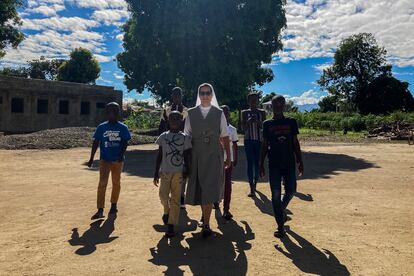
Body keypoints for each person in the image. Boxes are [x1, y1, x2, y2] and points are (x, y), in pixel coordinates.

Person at [184, 83, 231, 238]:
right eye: (202, 93)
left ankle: (206, 224)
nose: (205, 96)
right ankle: (205, 217)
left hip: (213, 155)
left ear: (212, 95)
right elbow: (187, 136)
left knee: (210, 188)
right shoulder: (191, 113)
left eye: (207, 93)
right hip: (197, 155)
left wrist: (228, 157)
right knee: (200, 189)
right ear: (199, 95)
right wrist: (187, 159)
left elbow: (225, 136)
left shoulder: (219, 113)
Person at [259, 95, 304, 238]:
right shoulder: (267, 124)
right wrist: (261, 163)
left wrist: (300, 160)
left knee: (291, 191)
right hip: (274, 164)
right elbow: (265, 145)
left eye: (281, 105)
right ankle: (280, 226)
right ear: (271, 106)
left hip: (289, 162)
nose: (278, 107)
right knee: (276, 195)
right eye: (276, 105)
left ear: (284, 106)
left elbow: (295, 142)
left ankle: (281, 210)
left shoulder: (291, 122)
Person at [88, 102, 131, 219]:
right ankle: (100, 209)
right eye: (110, 111)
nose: (112, 113)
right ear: (106, 112)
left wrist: (121, 155)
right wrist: (91, 158)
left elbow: (125, 142)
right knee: (102, 183)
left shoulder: (123, 128)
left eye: (115, 110)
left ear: (118, 113)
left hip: (118, 160)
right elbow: (96, 142)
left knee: (116, 183)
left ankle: (113, 205)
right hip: (105, 160)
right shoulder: (102, 127)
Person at [153, 111, 192, 237]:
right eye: (172, 119)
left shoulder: (185, 137)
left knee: (176, 199)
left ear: (181, 122)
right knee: (163, 195)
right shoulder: (163, 137)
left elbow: (187, 155)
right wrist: (155, 172)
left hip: (178, 173)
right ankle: (166, 211)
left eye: (177, 119)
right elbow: (159, 155)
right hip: (165, 171)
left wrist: (188, 169)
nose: (174, 121)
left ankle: (171, 225)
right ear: (168, 121)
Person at [158, 87, 188, 209]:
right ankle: (170, 196)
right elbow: (161, 128)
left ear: (182, 96)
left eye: (179, 94)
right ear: (172, 96)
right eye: (174, 95)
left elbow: (189, 129)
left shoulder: (187, 112)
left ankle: (181, 196)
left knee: (182, 171)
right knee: (168, 169)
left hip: (182, 145)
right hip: (169, 145)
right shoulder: (166, 111)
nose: (176, 97)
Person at [241, 92, 266, 197]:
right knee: (250, 163)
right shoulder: (245, 113)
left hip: (259, 141)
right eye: (251, 100)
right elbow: (242, 129)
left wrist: (258, 122)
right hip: (248, 141)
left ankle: (255, 184)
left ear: (258, 101)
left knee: (257, 163)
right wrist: (249, 122)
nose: (253, 102)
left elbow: (265, 128)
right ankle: (251, 187)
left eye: (255, 100)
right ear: (248, 102)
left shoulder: (262, 112)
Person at [221, 105, 238, 221]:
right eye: (222, 112)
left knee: (227, 185)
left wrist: (235, 158)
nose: (224, 115)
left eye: (226, 113)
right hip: (216, 161)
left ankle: (226, 209)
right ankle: (215, 201)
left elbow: (235, 145)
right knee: (216, 183)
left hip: (228, 161)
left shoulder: (232, 129)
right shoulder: (215, 128)